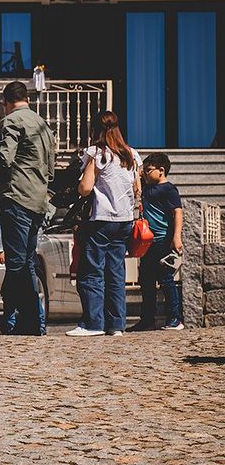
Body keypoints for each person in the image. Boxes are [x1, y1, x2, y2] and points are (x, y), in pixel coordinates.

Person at [0, 81, 56, 335]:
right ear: (27, 98)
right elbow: (51, 168)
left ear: (5, 102)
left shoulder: (12, 121)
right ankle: (34, 321)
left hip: (17, 197)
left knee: (15, 263)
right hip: (38, 199)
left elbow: (5, 160)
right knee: (27, 262)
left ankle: (17, 320)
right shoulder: (42, 124)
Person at [66, 111, 141, 337]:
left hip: (101, 219)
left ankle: (93, 324)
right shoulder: (131, 155)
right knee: (116, 272)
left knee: (92, 271)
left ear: (96, 129)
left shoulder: (97, 153)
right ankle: (116, 325)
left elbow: (85, 188)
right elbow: (137, 189)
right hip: (125, 220)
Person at [130, 153, 184, 331]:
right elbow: (136, 180)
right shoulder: (146, 187)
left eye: (148, 170)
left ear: (161, 170)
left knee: (166, 279)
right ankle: (147, 320)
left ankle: (175, 318)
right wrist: (139, 170)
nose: (145, 173)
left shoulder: (169, 190)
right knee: (146, 281)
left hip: (163, 241)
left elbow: (177, 212)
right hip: (147, 243)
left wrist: (176, 237)